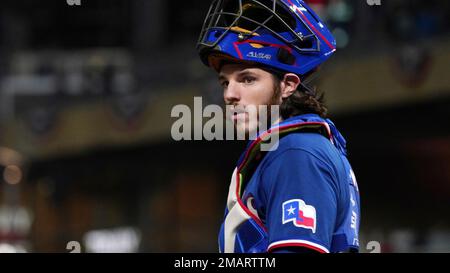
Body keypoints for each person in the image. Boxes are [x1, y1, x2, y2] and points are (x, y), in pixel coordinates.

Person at [197, 0, 360, 253]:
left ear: (288, 85)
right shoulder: (292, 147)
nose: (230, 94)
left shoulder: (297, 152)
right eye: (225, 83)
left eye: (247, 79)